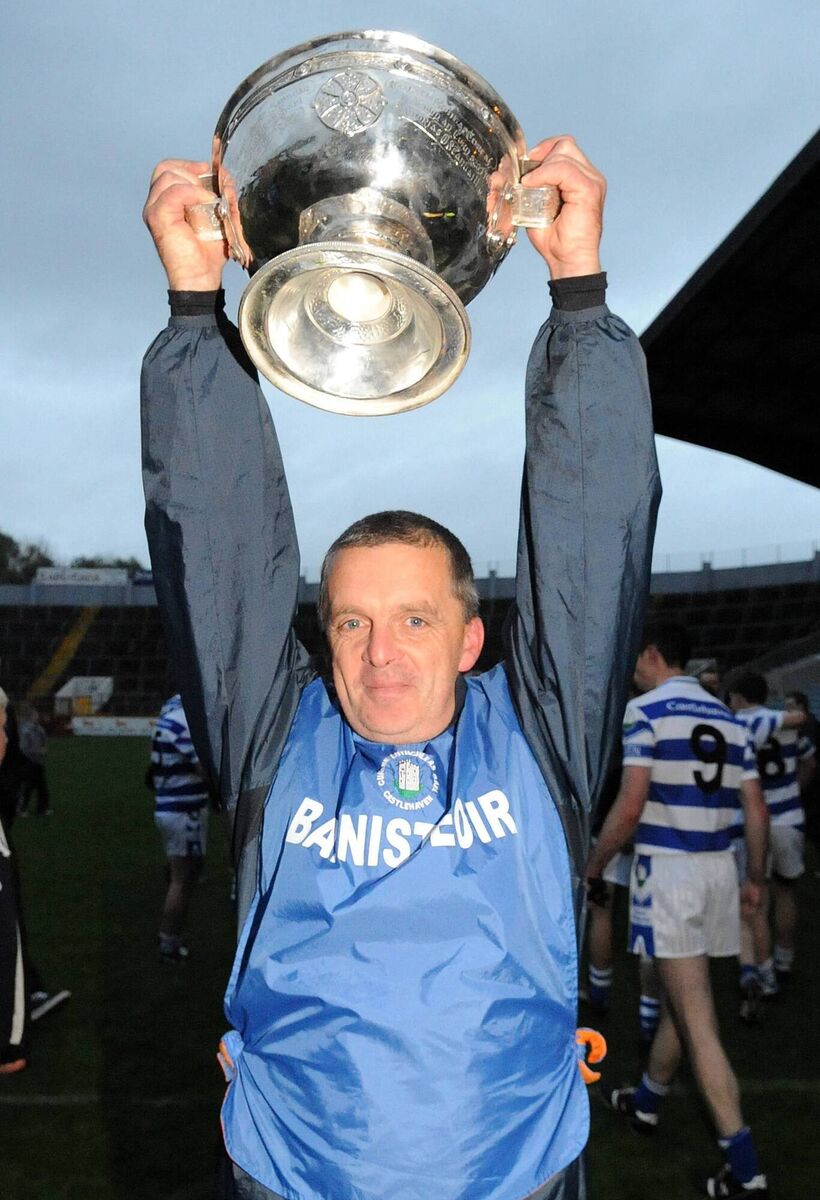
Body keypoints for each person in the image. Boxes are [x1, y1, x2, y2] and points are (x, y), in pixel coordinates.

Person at [141, 139, 660, 1200]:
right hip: (295, 1176)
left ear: (472, 643)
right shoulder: (278, 741)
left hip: (514, 1176)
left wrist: (579, 293)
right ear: (319, 637)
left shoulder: (537, 741)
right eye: (350, 624)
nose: (381, 654)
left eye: (416, 620)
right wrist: (196, 309)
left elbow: (590, 539)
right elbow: (216, 539)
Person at [586, 622, 770, 1199]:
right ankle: (646, 1103)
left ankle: (745, 1169)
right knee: (684, 998)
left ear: (651, 653)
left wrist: (593, 863)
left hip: (671, 872)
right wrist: (755, 878)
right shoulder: (725, 714)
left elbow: (631, 802)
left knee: (695, 1018)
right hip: (719, 868)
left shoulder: (647, 711)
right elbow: (756, 809)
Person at [726, 671, 815, 984]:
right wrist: (794, 789)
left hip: (753, 821)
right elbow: (809, 760)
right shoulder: (786, 723)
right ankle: (784, 959)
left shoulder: (738, 725)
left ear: (738, 696)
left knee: (756, 897)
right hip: (788, 817)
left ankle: (760, 972)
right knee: (786, 891)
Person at [150, 692, 211, 963]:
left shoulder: (170, 710)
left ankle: (168, 937)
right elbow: (202, 768)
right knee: (183, 878)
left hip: (169, 804)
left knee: (182, 872)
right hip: (183, 808)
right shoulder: (184, 718)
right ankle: (168, 942)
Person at [17, 703, 52, 817]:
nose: (37, 716)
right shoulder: (25, 730)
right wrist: (39, 751)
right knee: (28, 786)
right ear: (30, 716)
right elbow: (24, 748)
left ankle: (42, 808)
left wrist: (44, 749)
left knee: (42, 786)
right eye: (35, 714)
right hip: (28, 761)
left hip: (38, 762)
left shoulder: (39, 729)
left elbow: (44, 741)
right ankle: (21, 809)